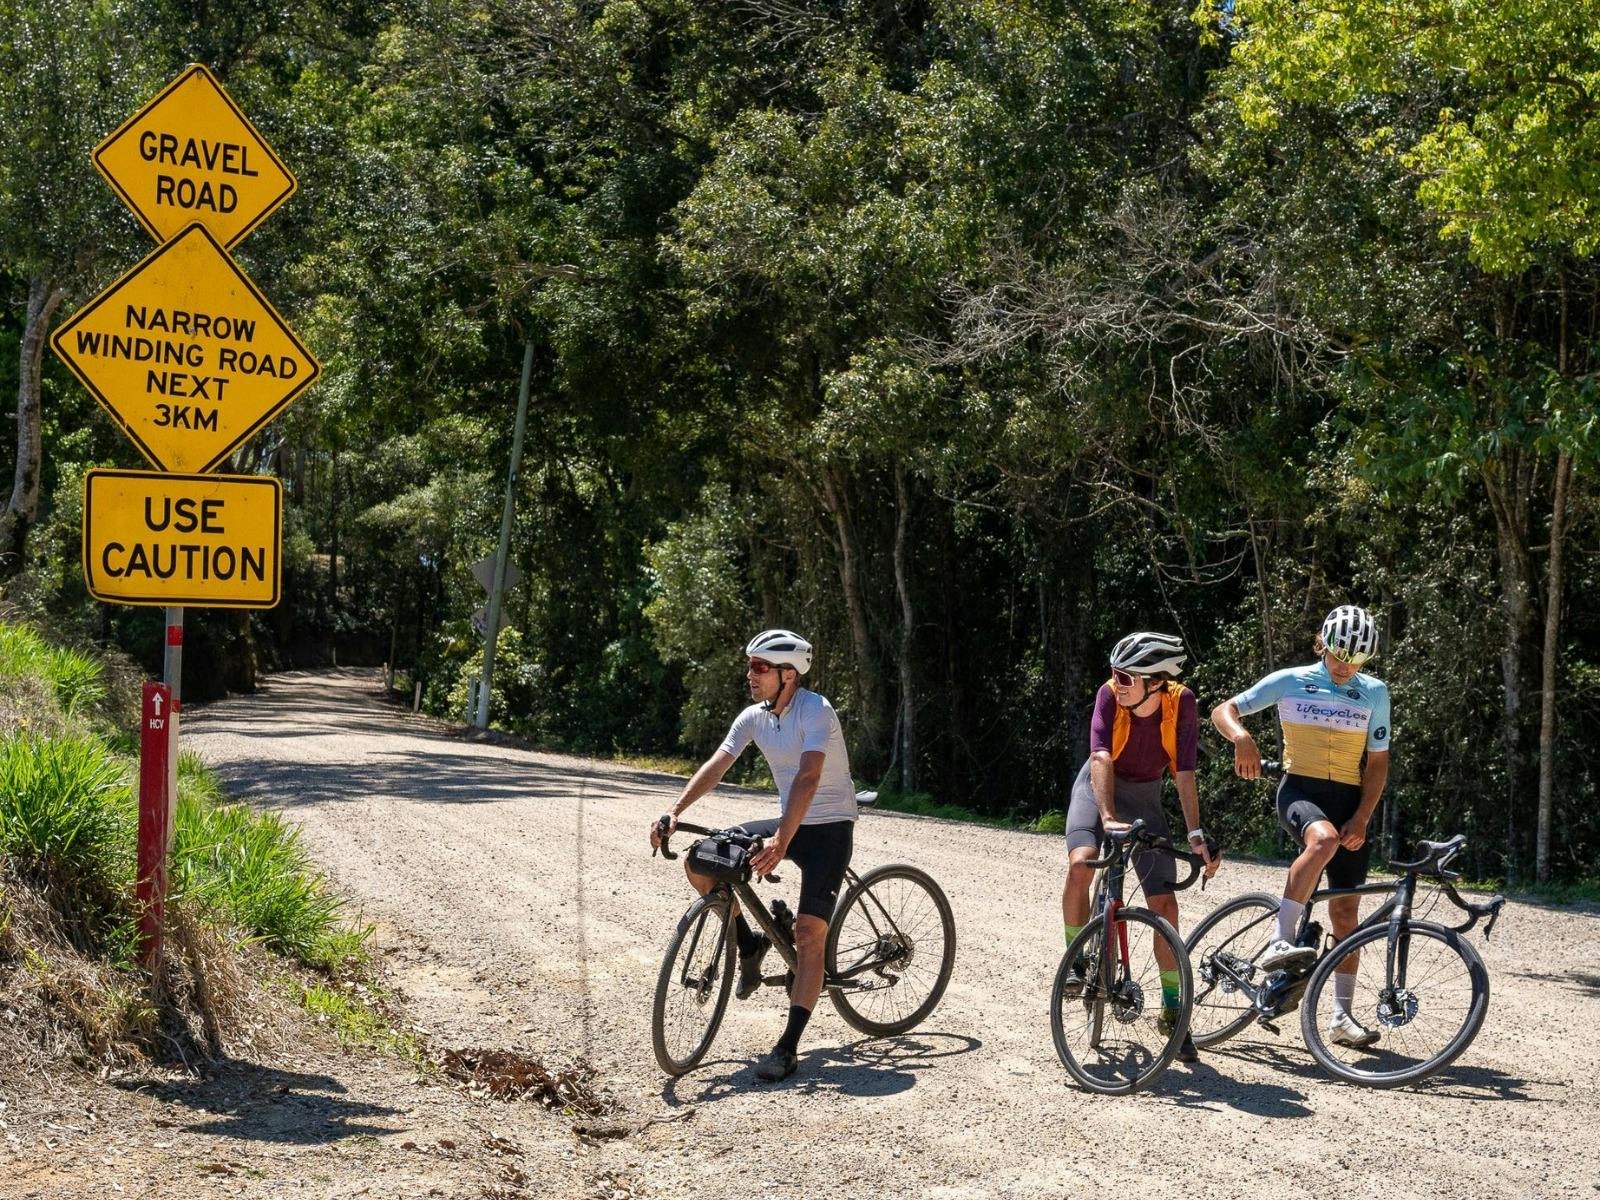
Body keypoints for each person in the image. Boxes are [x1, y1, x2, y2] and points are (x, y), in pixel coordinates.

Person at [649, 629, 857, 1082]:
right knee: (702, 861)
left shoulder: (816, 710)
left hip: (829, 828)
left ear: (788, 674)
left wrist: (781, 840)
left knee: (807, 936)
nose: (750, 675)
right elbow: (719, 763)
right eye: (749, 666)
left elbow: (808, 777)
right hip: (790, 822)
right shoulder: (754, 717)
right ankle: (750, 943)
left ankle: (788, 1047)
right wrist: (675, 811)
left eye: (759, 667)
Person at [1210, 604, 1392, 1049]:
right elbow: (1224, 709)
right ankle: (1279, 941)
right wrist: (1242, 736)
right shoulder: (1291, 680)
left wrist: (1364, 815)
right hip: (1301, 792)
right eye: (1340, 656)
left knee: (1346, 915)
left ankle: (1340, 1017)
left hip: (1350, 801)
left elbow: (1379, 762)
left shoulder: (1375, 692)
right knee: (1323, 838)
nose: (1347, 667)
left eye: (1358, 660)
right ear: (1323, 645)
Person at [1062, 632, 1218, 1064]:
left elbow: (1184, 771)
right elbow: (1101, 759)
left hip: (1146, 799)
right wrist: (1108, 818)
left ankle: (1173, 1010)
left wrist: (1196, 834)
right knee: (1081, 864)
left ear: (1155, 681)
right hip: (1098, 790)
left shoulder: (1181, 701)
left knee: (1165, 906)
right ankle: (1076, 962)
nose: (1116, 682)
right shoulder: (1108, 696)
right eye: (1115, 674)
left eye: (1125, 676)